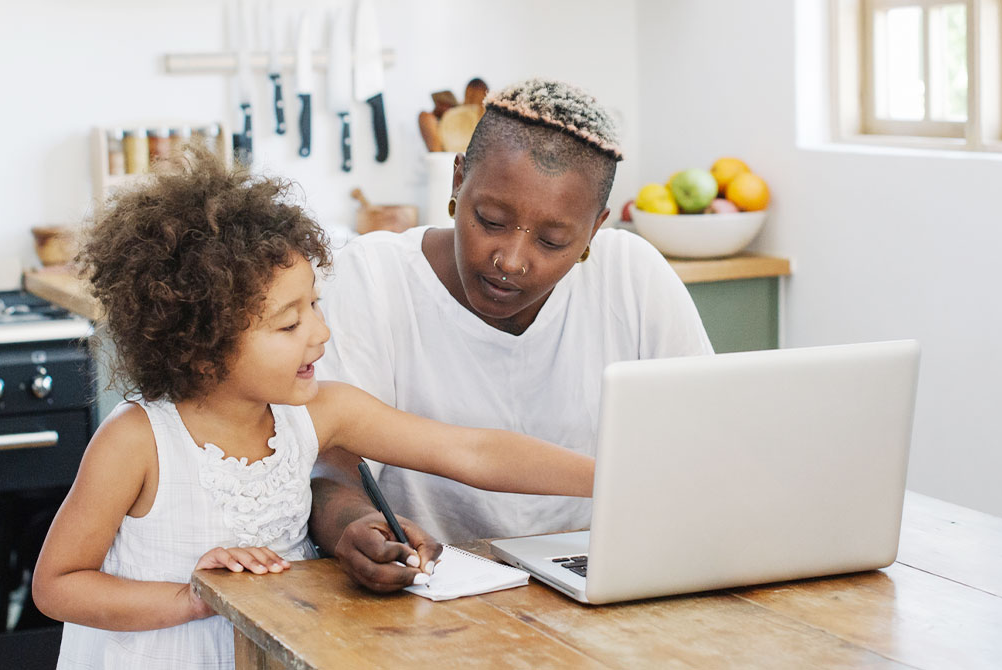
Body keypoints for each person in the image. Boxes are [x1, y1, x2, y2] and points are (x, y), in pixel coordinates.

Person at [31, 149, 594, 670]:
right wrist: (195, 597)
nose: (321, 333)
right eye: (289, 323)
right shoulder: (138, 441)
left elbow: (473, 451)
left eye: (315, 305)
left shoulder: (319, 413)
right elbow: (58, 585)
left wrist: (616, 478)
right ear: (198, 346)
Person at [309, 78, 714, 592]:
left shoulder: (631, 275)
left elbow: (703, 445)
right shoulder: (374, 277)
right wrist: (354, 524)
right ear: (458, 181)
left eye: (553, 240)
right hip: (433, 596)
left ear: (595, 227)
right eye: (490, 219)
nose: (512, 261)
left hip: (607, 580)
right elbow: (329, 466)